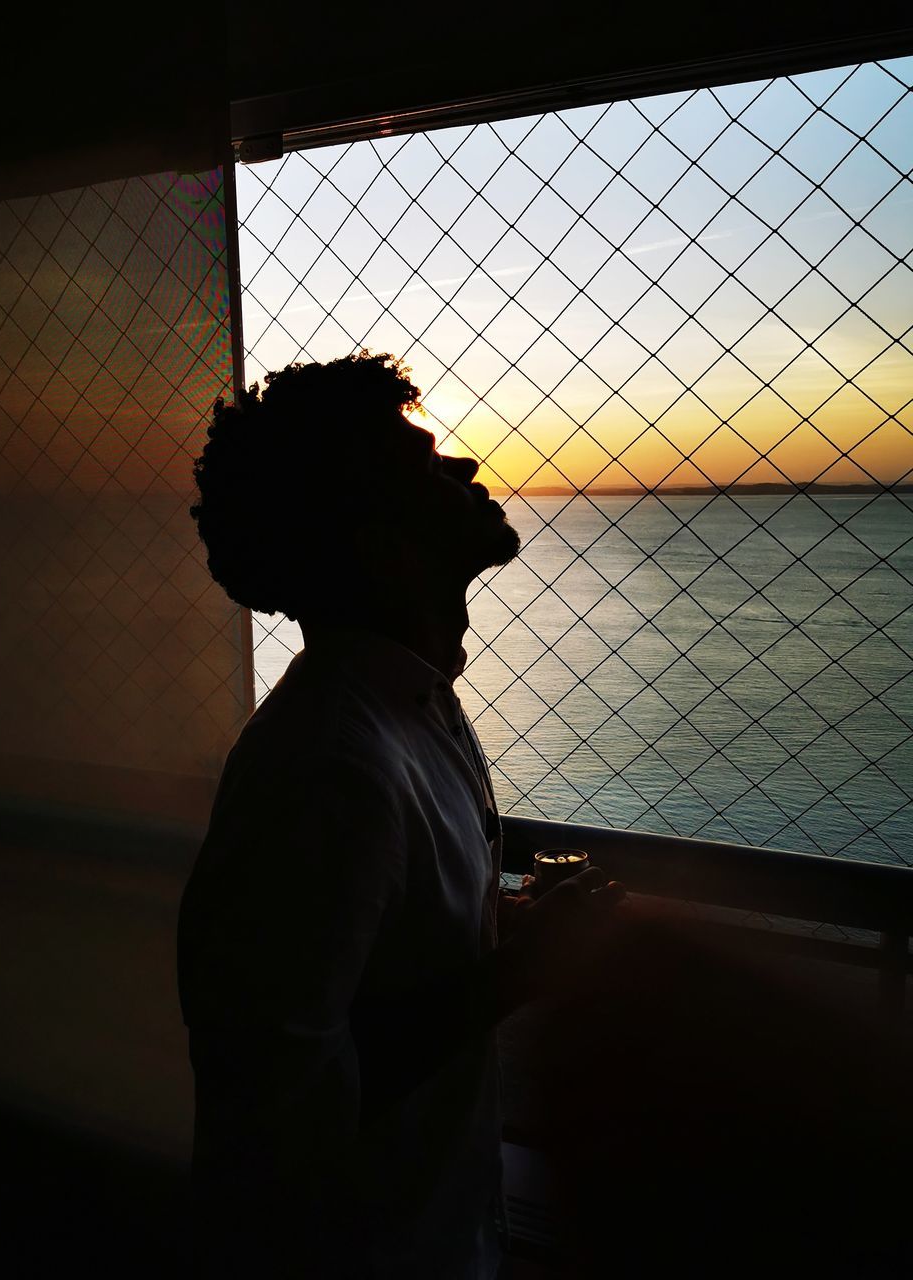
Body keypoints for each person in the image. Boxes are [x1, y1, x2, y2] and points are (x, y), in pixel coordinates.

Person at [176, 351, 623, 1278]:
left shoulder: (411, 709)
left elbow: (374, 964)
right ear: (382, 546)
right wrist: (521, 974)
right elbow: (279, 1105)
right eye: (428, 465)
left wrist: (499, 934)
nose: (463, 468)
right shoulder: (329, 765)